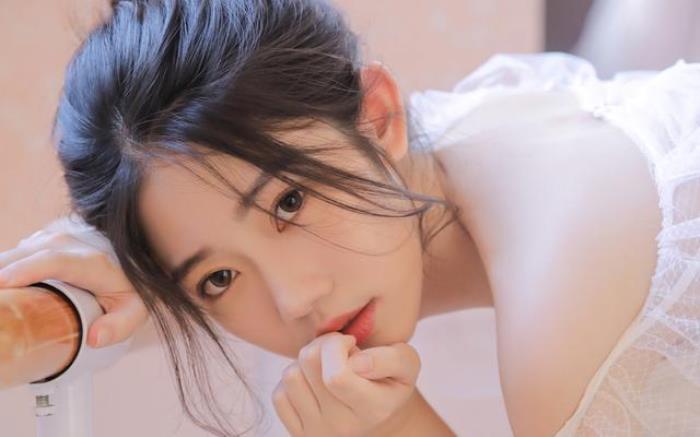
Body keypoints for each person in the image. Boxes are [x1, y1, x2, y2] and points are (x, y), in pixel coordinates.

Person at [0, 0, 698, 435]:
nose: (294, 299)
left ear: (378, 115)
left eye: (289, 202)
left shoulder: (568, 324)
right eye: (218, 278)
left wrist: (397, 429)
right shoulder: (474, 129)